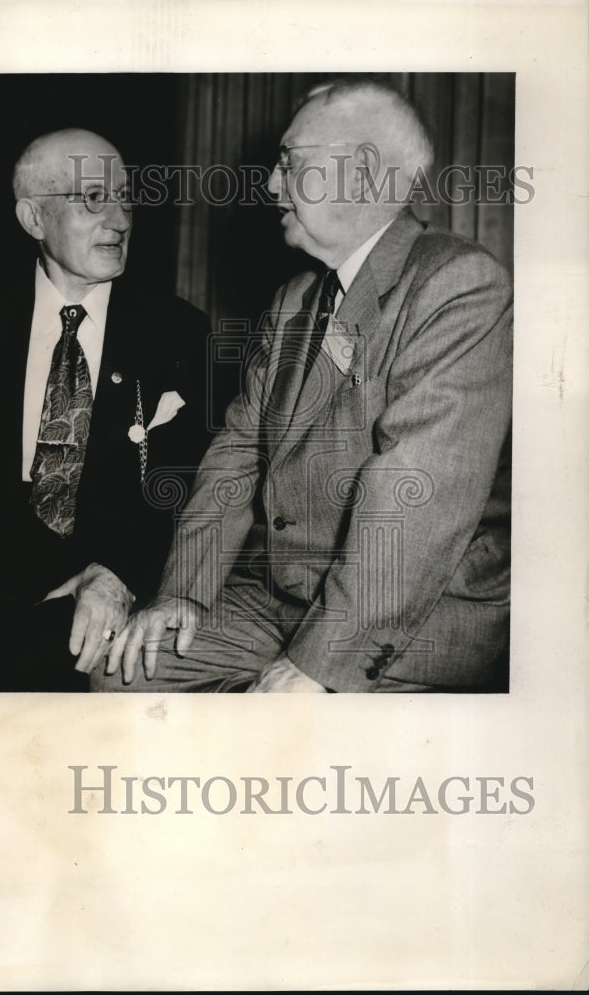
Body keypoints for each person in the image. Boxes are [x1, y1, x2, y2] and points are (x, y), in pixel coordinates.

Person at [93, 78, 512, 693]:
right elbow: (237, 453)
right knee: (121, 674)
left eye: (289, 162)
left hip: (411, 617)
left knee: (280, 730)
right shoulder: (295, 299)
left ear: (359, 172)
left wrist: (319, 665)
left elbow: (413, 495)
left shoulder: (458, 284)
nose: (270, 184)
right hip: (283, 598)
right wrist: (184, 592)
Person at [0, 128, 211, 691]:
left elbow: (199, 484)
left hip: (107, 601)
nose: (119, 220)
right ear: (33, 218)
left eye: (124, 199)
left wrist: (121, 573)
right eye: (92, 198)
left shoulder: (179, 333)